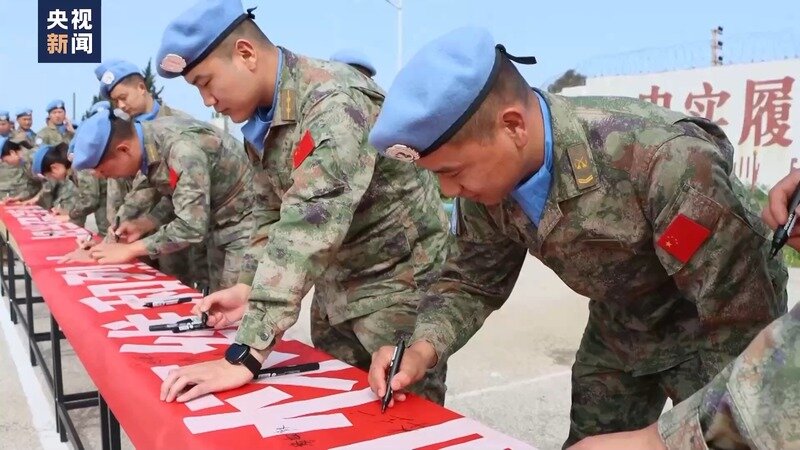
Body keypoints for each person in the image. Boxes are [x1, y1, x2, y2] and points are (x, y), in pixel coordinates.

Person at [365, 26, 787, 447]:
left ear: (512, 126)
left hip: (710, 325)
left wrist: (688, 434)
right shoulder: (487, 186)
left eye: (451, 172)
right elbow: (471, 281)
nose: (447, 191)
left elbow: (740, 319)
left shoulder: (663, 160)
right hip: (621, 322)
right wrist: (422, 348)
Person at [153, 0, 449, 405]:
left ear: (245, 53)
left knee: (404, 420)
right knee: (338, 415)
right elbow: (270, 216)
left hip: (396, 289)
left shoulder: (334, 103)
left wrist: (245, 354)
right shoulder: (261, 124)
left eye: (206, 82)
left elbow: (307, 228)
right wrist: (247, 286)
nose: (207, 100)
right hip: (335, 290)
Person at [71, 109, 255, 292]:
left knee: (236, 305)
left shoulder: (181, 149)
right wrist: (146, 222)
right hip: (220, 225)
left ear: (124, 150)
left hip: (246, 222)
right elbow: (179, 194)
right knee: (219, 299)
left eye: (103, 171)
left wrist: (130, 250)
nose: (105, 177)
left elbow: (191, 226)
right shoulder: (151, 145)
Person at [94, 58, 210, 290]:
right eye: (115, 101)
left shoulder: (180, 125)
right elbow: (119, 189)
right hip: (136, 233)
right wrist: (115, 227)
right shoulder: (121, 135)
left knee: (180, 294)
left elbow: (189, 193)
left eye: (123, 97)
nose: (121, 106)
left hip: (178, 234)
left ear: (141, 87)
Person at [30, 142, 109, 233]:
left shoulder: (80, 167)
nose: (53, 179)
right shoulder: (72, 171)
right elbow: (83, 198)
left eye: (50, 176)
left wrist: (69, 216)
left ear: (55, 168)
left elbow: (90, 200)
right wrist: (68, 212)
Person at [0, 135, 46, 205]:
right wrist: (18, 198)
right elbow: (33, 186)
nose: (7, 163)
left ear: (12, 153)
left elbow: (51, 183)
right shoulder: (23, 163)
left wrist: (35, 199)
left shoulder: (34, 158)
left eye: (5, 160)